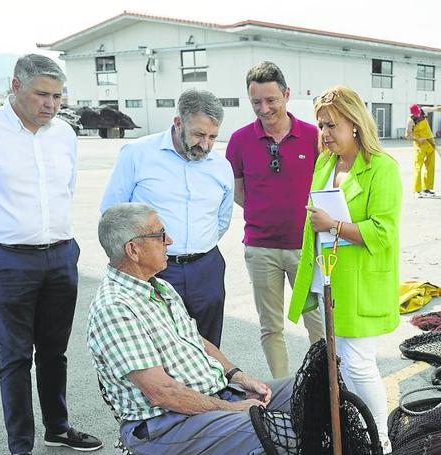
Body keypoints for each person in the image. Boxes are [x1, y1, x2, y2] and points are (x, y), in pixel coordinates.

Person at [0, 54, 102, 455]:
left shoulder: (64, 133)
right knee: (16, 356)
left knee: (55, 352)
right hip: (8, 258)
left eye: (57, 96)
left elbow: (65, 189)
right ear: (15, 87)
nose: (50, 104)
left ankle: (58, 427)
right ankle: (21, 445)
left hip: (61, 255)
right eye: (41, 95)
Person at [88, 203, 295, 454]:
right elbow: (162, 394)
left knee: (315, 392)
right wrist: (235, 408)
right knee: (281, 433)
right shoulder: (116, 308)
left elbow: (197, 341)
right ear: (133, 250)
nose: (169, 241)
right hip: (168, 423)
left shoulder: (159, 287)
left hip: (214, 398)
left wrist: (238, 377)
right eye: (159, 235)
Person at [288, 85, 402, 454]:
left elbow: (383, 232)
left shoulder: (381, 168)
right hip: (328, 276)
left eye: (331, 125)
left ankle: (379, 441)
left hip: (361, 283)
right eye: (321, 125)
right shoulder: (325, 163)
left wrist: (334, 226)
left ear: (355, 123)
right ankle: (353, 435)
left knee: (359, 363)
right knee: (344, 363)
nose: (324, 133)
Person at [100, 89, 234, 347]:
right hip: (151, 270)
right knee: (157, 347)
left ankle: (207, 389)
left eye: (212, 137)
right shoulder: (137, 154)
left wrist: (194, 245)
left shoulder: (220, 166)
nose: (205, 145)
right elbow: (112, 213)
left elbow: (221, 220)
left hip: (206, 268)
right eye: (198, 134)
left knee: (209, 348)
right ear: (178, 123)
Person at [226, 61, 324, 379]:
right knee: (271, 327)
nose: (264, 108)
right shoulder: (239, 141)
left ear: (286, 94)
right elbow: (238, 191)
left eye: (271, 100)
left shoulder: (313, 137)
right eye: (256, 102)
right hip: (261, 250)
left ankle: (321, 384)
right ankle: (283, 390)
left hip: (306, 249)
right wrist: (265, 213)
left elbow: (327, 188)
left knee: (318, 324)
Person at [405, 103, 441, 197]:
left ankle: (427, 188)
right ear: (412, 114)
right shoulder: (411, 121)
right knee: (418, 167)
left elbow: (436, 108)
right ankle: (417, 191)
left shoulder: (423, 110)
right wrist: (417, 139)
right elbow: (407, 135)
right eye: (416, 114)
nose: (418, 114)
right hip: (420, 145)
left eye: (418, 112)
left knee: (430, 166)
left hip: (430, 143)